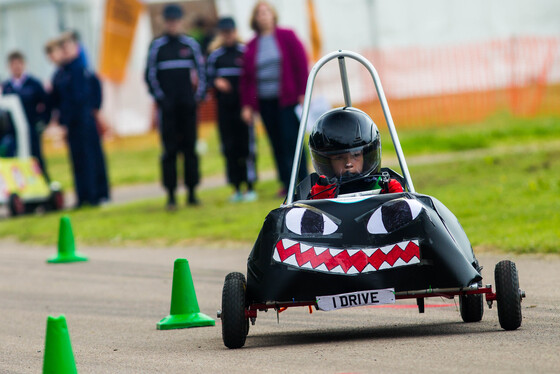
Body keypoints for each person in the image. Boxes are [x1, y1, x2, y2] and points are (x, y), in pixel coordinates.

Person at [240, 1, 309, 197]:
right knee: (276, 143)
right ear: (255, 19)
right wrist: (247, 105)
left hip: (287, 100)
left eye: (266, 12)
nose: (263, 16)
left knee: (292, 141)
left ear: (273, 15)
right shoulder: (252, 45)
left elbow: (301, 64)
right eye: (259, 13)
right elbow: (246, 78)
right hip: (265, 102)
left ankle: (303, 182)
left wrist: (303, 92)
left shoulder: (287, 36)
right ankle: (286, 184)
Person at [145, 4, 206, 210]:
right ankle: (171, 195)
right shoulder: (157, 46)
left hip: (187, 108)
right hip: (167, 110)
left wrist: (195, 99)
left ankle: (192, 192)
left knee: (190, 149)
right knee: (169, 151)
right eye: (169, 20)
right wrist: (162, 100)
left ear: (181, 21)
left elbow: (202, 73)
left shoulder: (190, 45)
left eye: (176, 20)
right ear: (164, 22)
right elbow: (150, 76)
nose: (173, 24)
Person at [50, 32, 110, 207]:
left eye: (68, 47)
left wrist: (94, 110)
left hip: (84, 121)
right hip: (72, 123)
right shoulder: (62, 73)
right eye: (63, 48)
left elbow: (92, 92)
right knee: (77, 160)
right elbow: (58, 98)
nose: (65, 51)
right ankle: (83, 194)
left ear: (76, 48)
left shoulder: (81, 69)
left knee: (91, 157)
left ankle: (96, 194)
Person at [207, 17, 257, 202]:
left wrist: (249, 107)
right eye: (224, 32)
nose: (228, 35)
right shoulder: (215, 56)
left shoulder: (244, 52)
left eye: (231, 31)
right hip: (225, 111)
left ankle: (250, 186)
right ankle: (236, 187)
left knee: (247, 148)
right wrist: (216, 82)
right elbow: (207, 77)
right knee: (229, 148)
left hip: (243, 110)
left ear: (235, 31)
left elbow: (252, 80)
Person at [307, 107, 403, 199]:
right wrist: (318, 202)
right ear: (328, 163)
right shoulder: (320, 190)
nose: (348, 163)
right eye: (339, 157)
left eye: (356, 155)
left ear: (365, 157)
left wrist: (395, 199)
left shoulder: (382, 185)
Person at [1, 51, 50, 179]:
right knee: (13, 158)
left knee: (36, 158)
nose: (16, 67)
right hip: (12, 131)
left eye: (19, 64)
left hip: (31, 127)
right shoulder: (6, 87)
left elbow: (47, 104)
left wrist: (43, 121)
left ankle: (42, 182)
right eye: (13, 64)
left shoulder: (34, 84)